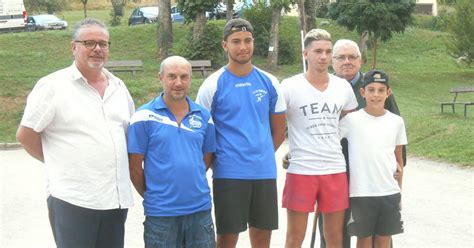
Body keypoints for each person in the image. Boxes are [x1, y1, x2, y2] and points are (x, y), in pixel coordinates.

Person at [16, 18, 134, 248]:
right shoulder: (53, 86)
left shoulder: (118, 87)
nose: (97, 49)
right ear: (74, 47)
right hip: (73, 198)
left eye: (103, 44)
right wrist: (58, 160)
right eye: (89, 42)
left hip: (115, 200)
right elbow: (26, 135)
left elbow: (128, 133)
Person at [195, 18, 286, 248]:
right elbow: (201, 133)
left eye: (247, 41)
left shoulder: (270, 82)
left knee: (262, 236)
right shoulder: (212, 84)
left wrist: (260, 155)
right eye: (236, 41)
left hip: (263, 172)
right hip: (228, 173)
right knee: (227, 237)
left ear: (253, 43)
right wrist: (223, 161)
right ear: (225, 45)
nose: (243, 47)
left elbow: (277, 132)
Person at [319, 39, 406, 248]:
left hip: (373, 178)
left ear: (360, 61)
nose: (346, 62)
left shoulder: (373, 85)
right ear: (332, 61)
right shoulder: (325, 88)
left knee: (377, 232)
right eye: (341, 57)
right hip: (335, 172)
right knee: (333, 232)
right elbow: (319, 132)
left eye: (352, 57)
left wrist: (398, 166)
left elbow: (395, 131)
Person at [127, 56, 216, 247]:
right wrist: (154, 195)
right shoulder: (144, 116)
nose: (178, 83)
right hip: (161, 215)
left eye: (184, 77)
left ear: (190, 79)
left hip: (200, 211)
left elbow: (207, 157)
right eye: (172, 76)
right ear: (160, 78)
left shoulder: (204, 116)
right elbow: (134, 167)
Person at [280, 29, 358, 248]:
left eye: (327, 51)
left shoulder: (342, 87)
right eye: (317, 51)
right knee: (295, 236)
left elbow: (350, 117)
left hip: (334, 168)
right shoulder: (289, 86)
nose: (323, 56)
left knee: (334, 236)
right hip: (302, 169)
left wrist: (336, 134)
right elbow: (276, 119)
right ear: (306, 54)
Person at [339, 70, 406, 248]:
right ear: (363, 93)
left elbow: (399, 162)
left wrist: (399, 192)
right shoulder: (351, 120)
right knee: (364, 240)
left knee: (384, 240)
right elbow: (329, 141)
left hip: (388, 191)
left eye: (381, 90)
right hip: (362, 192)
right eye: (371, 90)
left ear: (388, 93)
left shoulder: (396, 122)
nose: (376, 95)